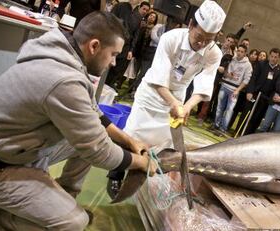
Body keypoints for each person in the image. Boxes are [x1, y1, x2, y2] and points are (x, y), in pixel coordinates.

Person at [0, 12, 157, 230]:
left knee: (89, 141)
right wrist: (142, 163)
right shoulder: (63, 79)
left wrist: (129, 142)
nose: (113, 62)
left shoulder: (64, 57)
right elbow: (100, 151)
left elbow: (94, 114)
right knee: (74, 223)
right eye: (113, 54)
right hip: (1, 164)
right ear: (94, 46)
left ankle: (63, 197)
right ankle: (1, 219)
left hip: (16, 147)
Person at [107, 0, 226, 197]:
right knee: (133, 132)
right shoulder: (170, 39)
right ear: (190, 25)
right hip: (153, 93)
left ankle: (139, 175)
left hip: (178, 95)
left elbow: (205, 81)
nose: (202, 43)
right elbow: (159, 76)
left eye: (209, 39)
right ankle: (116, 175)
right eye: (199, 37)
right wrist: (174, 104)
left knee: (163, 141)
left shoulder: (214, 53)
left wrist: (187, 106)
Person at [105, 1, 150, 88]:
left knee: (116, 71)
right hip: (113, 42)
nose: (145, 11)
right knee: (106, 68)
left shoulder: (139, 18)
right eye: (144, 9)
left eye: (147, 10)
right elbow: (110, 21)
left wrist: (131, 50)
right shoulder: (121, 7)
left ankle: (108, 87)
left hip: (125, 48)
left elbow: (135, 36)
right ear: (140, 6)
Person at [214, 44, 252, 132]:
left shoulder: (248, 65)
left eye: (242, 52)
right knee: (219, 106)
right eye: (238, 51)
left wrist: (238, 90)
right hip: (224, 85)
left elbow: (247, 80)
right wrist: (228, 75)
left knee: (229, 110)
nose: (239, 53)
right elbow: (224, 72)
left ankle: (223, 128)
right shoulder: (231, 59)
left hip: (234, 90)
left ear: (245, 53)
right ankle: (216, 124)